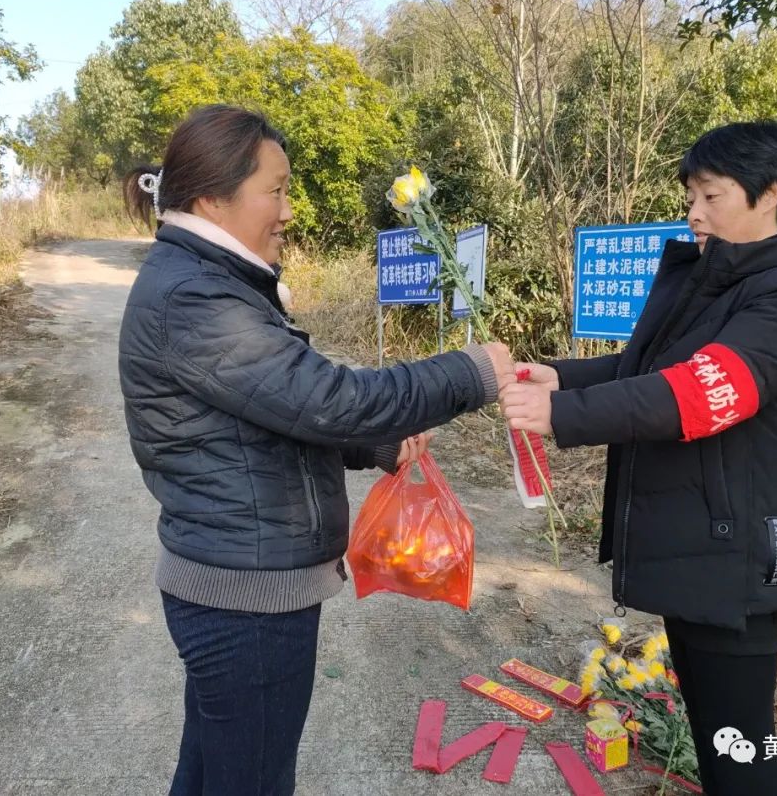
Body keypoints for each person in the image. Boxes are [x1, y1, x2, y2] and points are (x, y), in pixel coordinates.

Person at [118, 104, 514, 796]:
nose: (289, 211)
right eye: (274, 191)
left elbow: (274, 408)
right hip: (245, 599)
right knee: (253, 781)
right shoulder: (195, 296)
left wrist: (379, 442)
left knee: (213, 771)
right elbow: (329, 398)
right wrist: (471, 372)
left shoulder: (210, 280)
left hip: (237, 583)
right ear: (212, 199)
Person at [500, 120, 777, 795]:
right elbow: (648, 368)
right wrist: (561, 380)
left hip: (741, 551)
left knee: (739, 750)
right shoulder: (720, 276)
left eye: (710, 196)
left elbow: (705, 390)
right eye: (691, 196)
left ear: (769, 194)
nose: (694, 213)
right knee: (717, 740)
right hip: (701, 541)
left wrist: (563, 415)